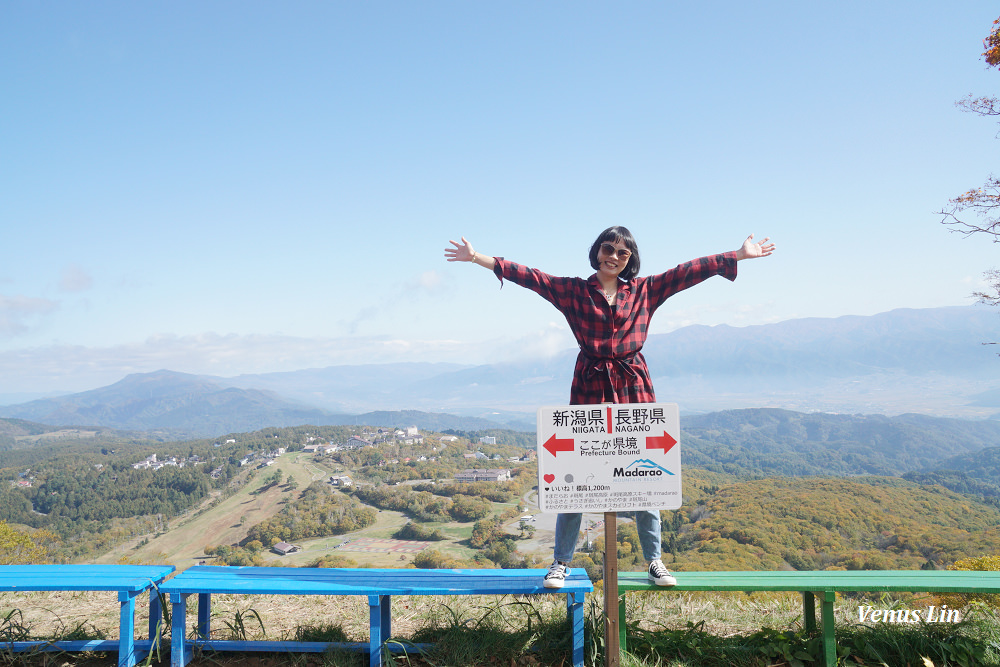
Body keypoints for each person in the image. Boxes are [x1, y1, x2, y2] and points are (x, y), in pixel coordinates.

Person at [444, 227, 775, 588]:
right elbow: (532, 277)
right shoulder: (573, 291)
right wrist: (477, 258)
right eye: (608, 249)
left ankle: (654, 561)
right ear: (596, 251)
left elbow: (687, 271)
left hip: (633, 384)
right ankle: (560, 563)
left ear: (630, 259)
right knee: (573, 476)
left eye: (623, 253)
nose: (614, 257)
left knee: (646, 478)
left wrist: (738, 255)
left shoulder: (646, 290)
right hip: (589, 383)